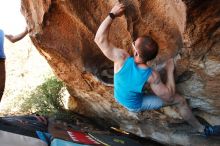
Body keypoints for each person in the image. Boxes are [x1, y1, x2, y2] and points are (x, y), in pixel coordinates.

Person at [94, 3, 220, 137]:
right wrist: (170, 71)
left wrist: (112, 14)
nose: (133, 43)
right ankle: (202, 129)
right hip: (134, 104)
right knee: (180, 101)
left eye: (134, 43)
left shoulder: (121, 58)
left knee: (165, 87)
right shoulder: (152, 76)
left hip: (120, 96)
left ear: (136, 53)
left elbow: (99, 39)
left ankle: (202, 130)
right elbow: (170, 96)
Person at [0, 27, 29, 101]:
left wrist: (26, 30)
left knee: (1, 88)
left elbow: (13, 39)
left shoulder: (2, 30)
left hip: (1, 61)